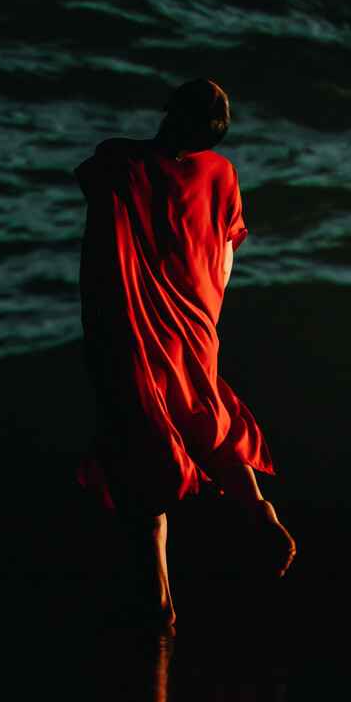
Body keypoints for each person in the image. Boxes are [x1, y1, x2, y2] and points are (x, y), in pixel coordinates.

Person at [76, 79, 295, 630]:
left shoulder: (118, 163)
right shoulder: (221, 175)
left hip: (133, 328)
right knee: (207, 417)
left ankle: (157, 599)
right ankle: (258, 511)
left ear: (170, 107)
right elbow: (224, 258)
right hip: (196, 323)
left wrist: (92, 332)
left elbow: (95, 258)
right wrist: (206, 323)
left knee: (138, 452)